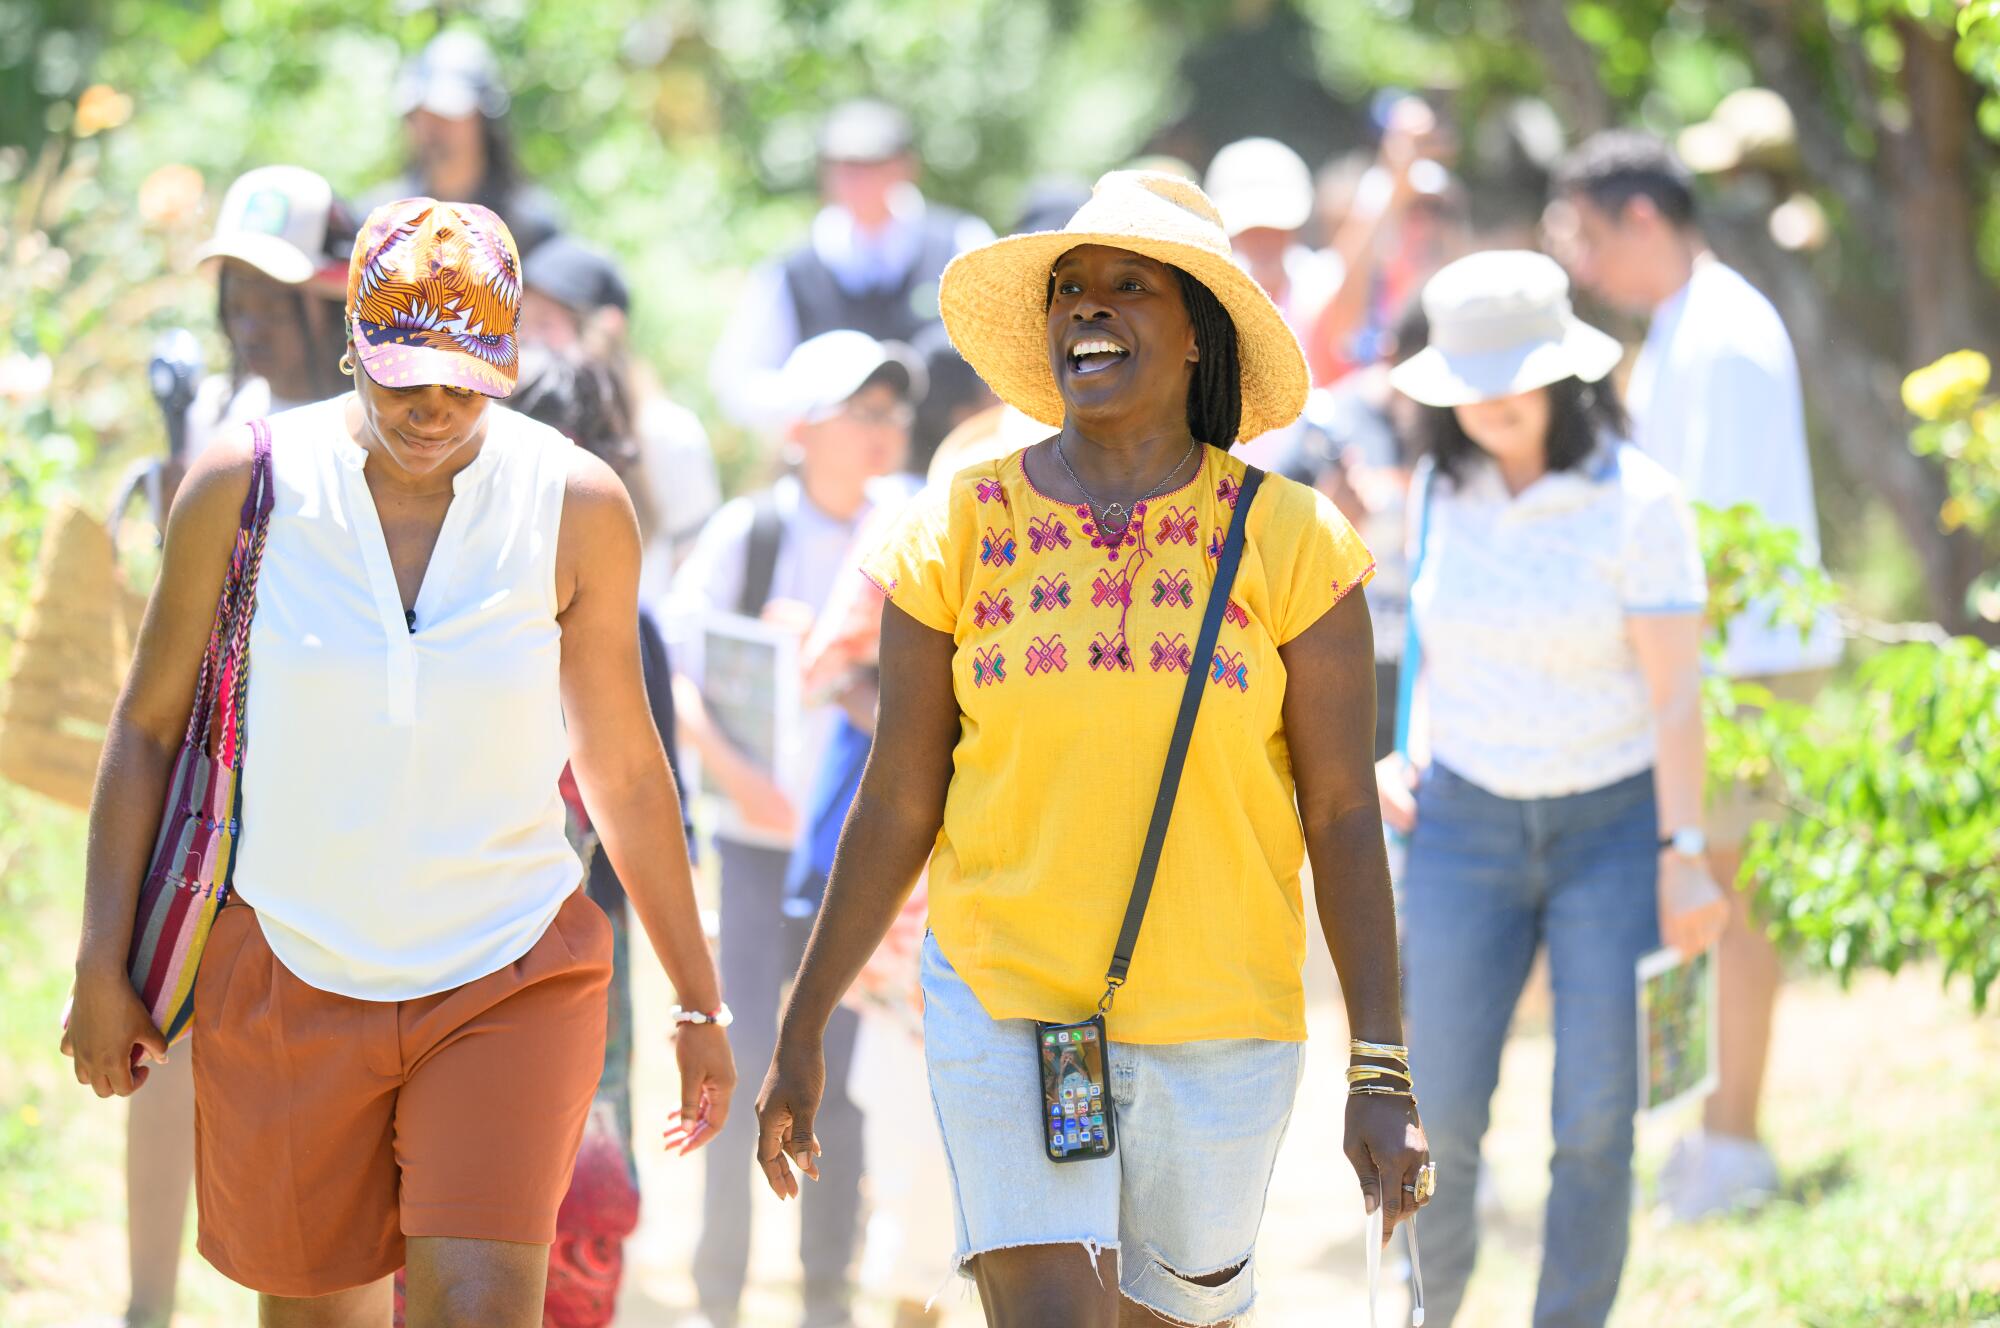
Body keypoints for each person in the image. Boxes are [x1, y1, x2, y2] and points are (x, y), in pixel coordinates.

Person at [754, 170, 1429, 1328]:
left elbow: (1340, 813)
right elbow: (898, 796)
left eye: (1128, 286)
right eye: (1068, 290)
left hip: (1220, 1020)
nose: (1085, 309)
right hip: (1007, 1000)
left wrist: (1379, 1062)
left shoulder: (1292, 542)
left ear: (1195, 335)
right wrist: (800, 1022)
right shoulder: (954, 531)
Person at [62, 197, 732, 1328]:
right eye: (401, 375)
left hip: (503, 970)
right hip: (290, 967)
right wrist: (97, 959)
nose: (431, 408)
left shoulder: (572, 504)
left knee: (476, 1307)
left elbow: (621, 764)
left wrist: (695, 1001)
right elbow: (143, 728)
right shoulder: (246, 484)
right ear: (351, 345)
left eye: (464, 381)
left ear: (509, 361)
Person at [1379, 250, 1731, 1327]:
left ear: (1565, 372)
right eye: (1468, 380)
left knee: (1593, 1113)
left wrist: (1683, 853)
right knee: (1431, 1106)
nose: (1489, 401)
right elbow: (1434, 653)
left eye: (1511, 374)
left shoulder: (1637, 499)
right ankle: (1422, 1309)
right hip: (1461, 825)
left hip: (1612, 829)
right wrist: (1406, 746)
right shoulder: (1437, 490)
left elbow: (1676, 697)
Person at [1548, 130, 1842, 1221]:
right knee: (1693, 902)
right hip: (1714, 661)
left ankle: (1730, 1143)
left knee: (1723, 904)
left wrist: (1653, 667)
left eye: (1586, 233)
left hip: (1738, 663)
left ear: (1638, 216)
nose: (1584, 264)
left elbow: (1705, 526)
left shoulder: (1716, 331)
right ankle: (1702, 1128)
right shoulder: (1686, 325)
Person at [111, 162, 354, 1328]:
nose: (250, 313)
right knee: (162, 1043)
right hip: (208, 791)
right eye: (235, 290)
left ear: (331, 294)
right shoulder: (219, 418)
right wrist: (173, 445)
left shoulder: (379, 432)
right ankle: (147, 1303)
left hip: (326, 806)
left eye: (276, 291)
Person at [669, 329, 921, 1328]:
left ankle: (825, 1296)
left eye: (891, 412)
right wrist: (738, 779)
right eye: (864, 412)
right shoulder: (749, 530)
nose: (884, 431)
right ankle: (717, 1294)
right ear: (801, 428)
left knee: (841, 1078)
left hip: (852, 849)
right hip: (752, 840)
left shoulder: (905, 527)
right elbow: (679, 676)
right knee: (730, 1065)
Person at [708, 98, 992, 430]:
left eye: (870, 164)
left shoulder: (960, 244)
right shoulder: (794, 269)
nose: (855, 179)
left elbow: (1007, 355)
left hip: (951, 461)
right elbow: (737, 379)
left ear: (905, 166)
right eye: (843, 166)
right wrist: (812, 400)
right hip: (839, 469)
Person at [521, 235, 722, 597]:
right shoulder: (508, 423)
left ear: (607, 327)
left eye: (546, 323)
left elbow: (695, 576)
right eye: (520, 322)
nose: (527, 339)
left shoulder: (668, 437)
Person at [1201, 137, 1345, 479]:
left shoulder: (1320, 281)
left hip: (1312, 488)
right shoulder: (1207, 297)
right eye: (1252, 228)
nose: (1263, 238)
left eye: (1274, 227)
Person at [366, 31, 561, 256]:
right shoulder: (382, 225)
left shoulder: (531, 227)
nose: (432, 129)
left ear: (483, 119)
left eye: (447, 114)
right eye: (420, 114)